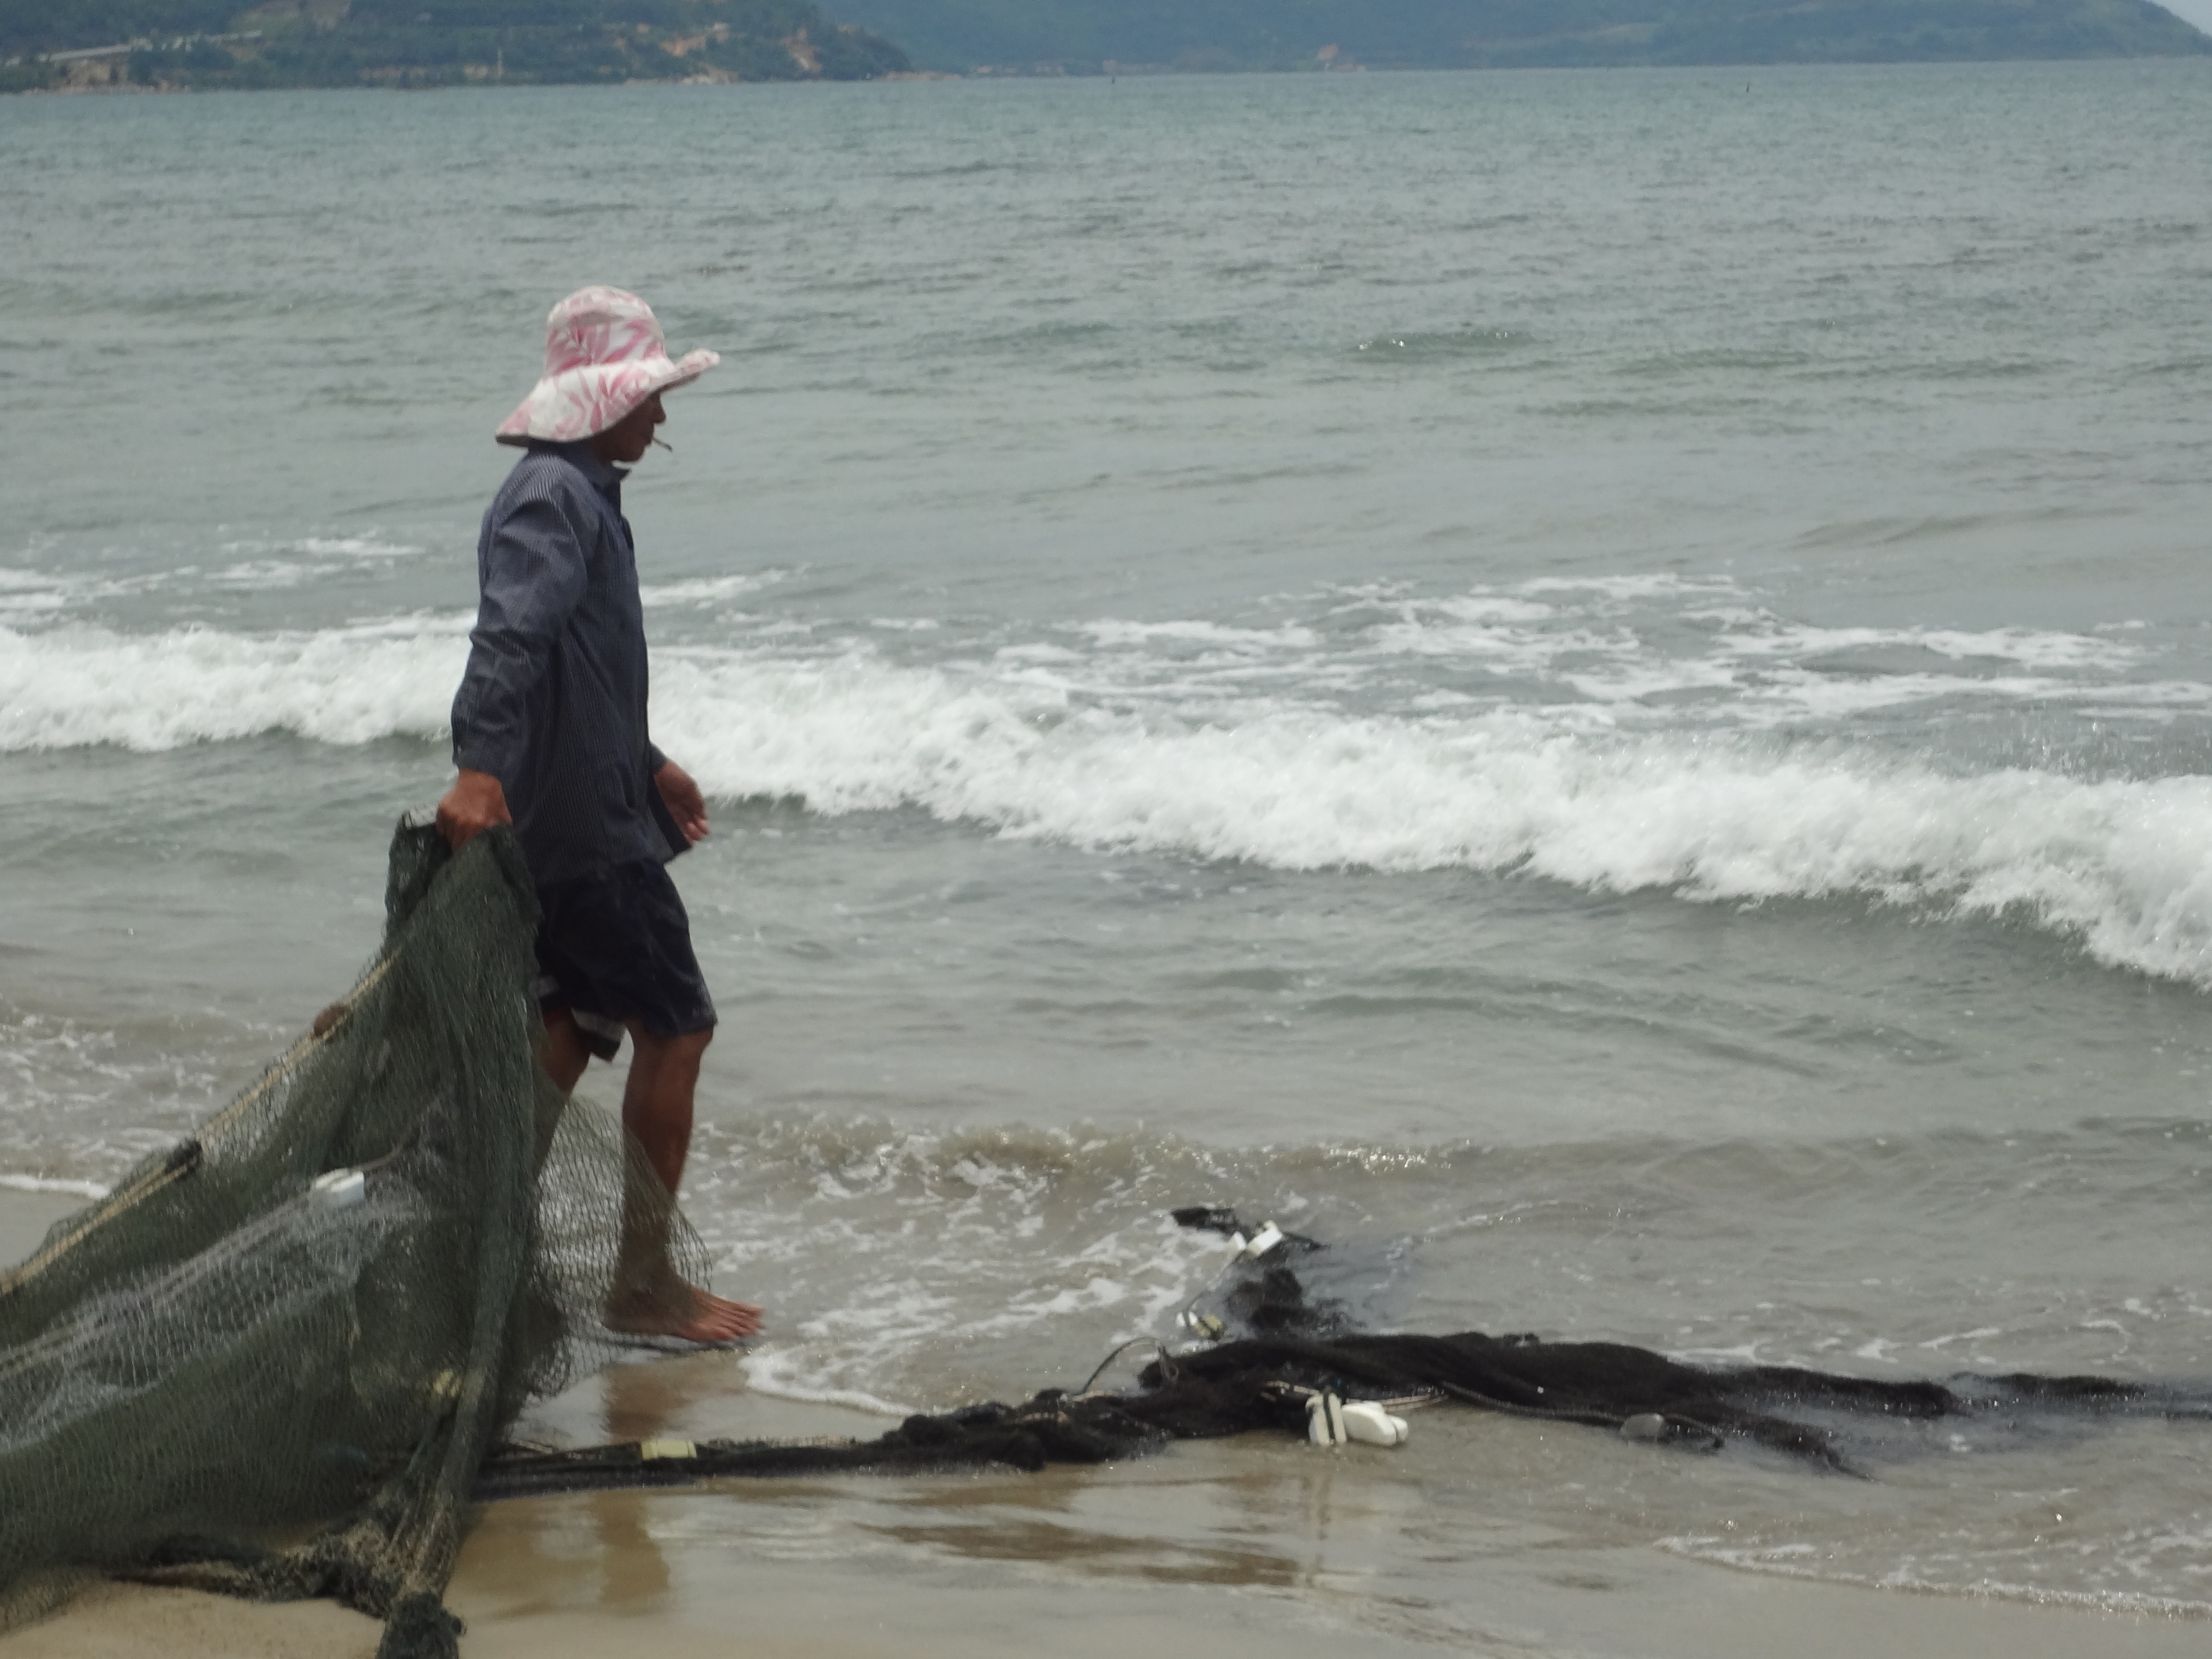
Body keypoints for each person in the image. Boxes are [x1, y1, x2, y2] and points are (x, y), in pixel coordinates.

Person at [435, 286, 760, 1344]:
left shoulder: (580, 493)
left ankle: (472, 1260)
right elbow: (509, 642)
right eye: (650, 396)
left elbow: (580, 667)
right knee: (679, 1028)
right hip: (581, 834)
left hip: (579, 811)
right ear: (603, 401)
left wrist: (649, 762)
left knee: (569, 1029)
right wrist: (477, 771)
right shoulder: (554, 498)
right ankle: (643, 1287)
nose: (660, 417)